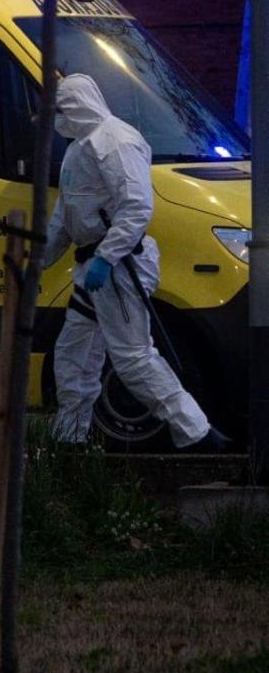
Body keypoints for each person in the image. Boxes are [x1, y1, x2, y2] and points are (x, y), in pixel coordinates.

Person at [42, 73, 227, 451]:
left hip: (120, 268)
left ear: (75, 107)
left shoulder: (116, 142)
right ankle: (69, 438)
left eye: (60, 110)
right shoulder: (80, 150)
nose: (56, 119)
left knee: (133, 359)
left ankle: (198, 433)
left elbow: (136, 206)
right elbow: (68, 215)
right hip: (96, 270)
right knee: (73, 353)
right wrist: (37, 262)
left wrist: (107, 258)